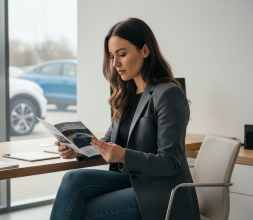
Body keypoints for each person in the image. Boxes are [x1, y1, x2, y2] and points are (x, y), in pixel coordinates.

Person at [50, 18, 200, 220]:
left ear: (145, 51)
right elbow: (109, 143)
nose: (115, 63)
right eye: (112, 56)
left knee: (81, 210)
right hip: (132, 181)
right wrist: (78, 149)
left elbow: (170, 162)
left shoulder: (168, 94)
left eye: (122, 54)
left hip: (163, 193)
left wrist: (123, 156)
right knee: (72, 179)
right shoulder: (125, 94)